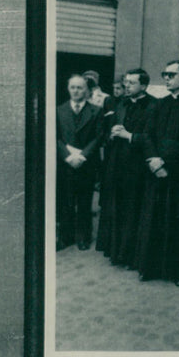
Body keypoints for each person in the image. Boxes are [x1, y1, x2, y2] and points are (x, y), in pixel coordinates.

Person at [136, 60, 179, 286]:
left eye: (171, 74)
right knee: (154, 217)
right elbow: (147, 135)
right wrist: (153, 161)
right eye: (164, 74)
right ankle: (152, 268)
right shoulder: (159, 104)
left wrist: (164, 160)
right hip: (156, 170)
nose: (166, 78)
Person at [95, 68, 157, 267]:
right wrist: (111, 135)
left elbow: (152, 138)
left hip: (138, 168)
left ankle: (131, 256)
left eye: (131, 83)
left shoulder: (154, 106)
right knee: (117, 207)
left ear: (144, 85)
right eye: (126, 82)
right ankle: (117, 253)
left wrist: (128, 135)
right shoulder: (120, 104)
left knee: (134, 210)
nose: (126, 86)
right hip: (117, 164)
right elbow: (105, 134)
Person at [56, 74, 102, 250]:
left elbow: (98, 137)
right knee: (65, 200)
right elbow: (56, 137)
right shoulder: (59, 110)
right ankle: (65, 236)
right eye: (73, 87)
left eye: (80, 88)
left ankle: (83, 237)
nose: (76, 91)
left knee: (84, 201)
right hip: (65, 163)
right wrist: (67, 156)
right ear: (68, 89)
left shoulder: (96, 111)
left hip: (86, 163)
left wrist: (82, 156)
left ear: (87, 90)